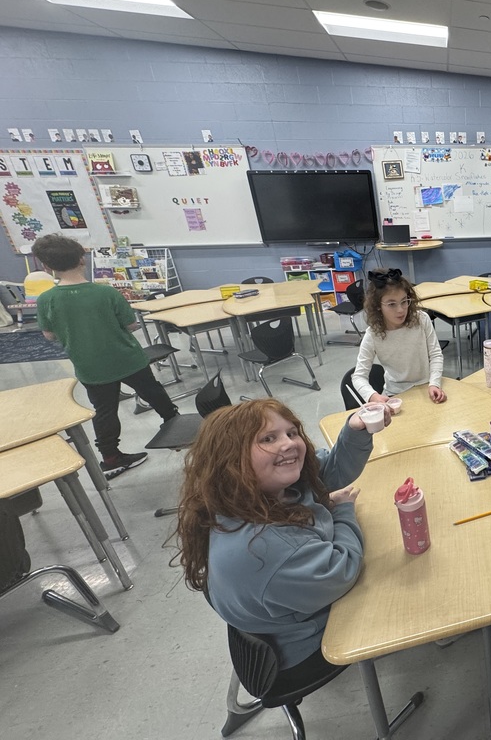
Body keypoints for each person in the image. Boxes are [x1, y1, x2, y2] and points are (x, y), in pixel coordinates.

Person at [172, 398, 386, 678]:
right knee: (397, 587)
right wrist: (342, 511)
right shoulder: (264, 547)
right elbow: (343, 568)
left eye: (291, 433)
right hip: (306, 649)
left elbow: (327, 472)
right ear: (231, 459)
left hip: (282, 619)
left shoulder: (245, 493)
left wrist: (357, 430)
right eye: (268, 438)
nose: (287, 444)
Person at [31, 234, 179, 479]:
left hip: (90, 367)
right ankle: (175, 426)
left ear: (47, 267)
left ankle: (111, 457)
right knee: (153, 392)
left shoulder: (46, 299)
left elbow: (49, 336)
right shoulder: (105, 293)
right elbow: (131, 325)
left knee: (105, 410)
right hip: (127, 359)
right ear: (82, 260)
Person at [353, 267, 446, 404]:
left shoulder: (421, 319)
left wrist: (434, 383)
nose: (400, 310)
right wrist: (373, 396)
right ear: (378, 306)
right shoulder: (373, 334)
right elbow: (358, 377)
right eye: (391, 304)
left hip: (426, 388)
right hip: (395, 394)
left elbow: (436, 354)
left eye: (404, 301)